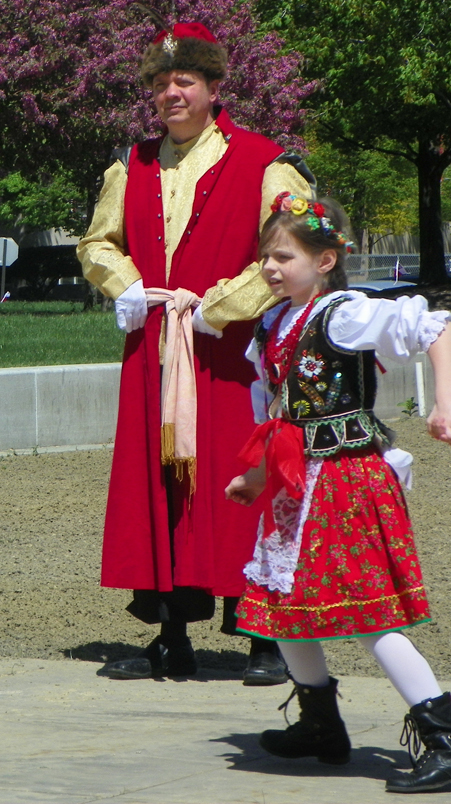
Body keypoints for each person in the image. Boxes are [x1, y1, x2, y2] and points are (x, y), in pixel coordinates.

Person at [77, 22, 314, 685]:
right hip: (155, 350)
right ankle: (171, 633)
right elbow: (98, 243)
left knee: (239, 480)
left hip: (231, 353)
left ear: (213, 87)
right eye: (159, 84)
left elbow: (298, 239)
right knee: (164, 482)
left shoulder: (266, 162)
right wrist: (125, 286)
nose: (170, 95)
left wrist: (220, 307)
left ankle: (263, 638)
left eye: (183, 81)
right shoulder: (134, 162)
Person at [225, 193, 451, 793]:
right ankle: (321, 725)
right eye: (265, 255)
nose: (269, 267)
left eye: (283, 256)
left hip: (344, 479)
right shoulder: (272, 321)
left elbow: (435, 325)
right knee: (282, 608)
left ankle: (450, 739)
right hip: (297, 483)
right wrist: (261, 474)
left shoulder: (343, 312)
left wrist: (447, 400)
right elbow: (277, 409)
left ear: (325, 260)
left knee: (369, 615)